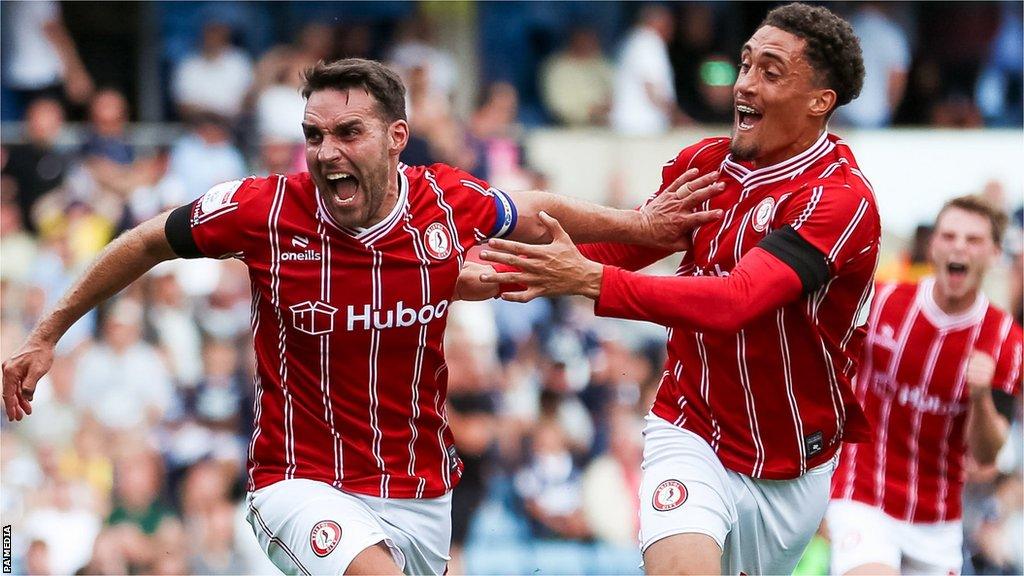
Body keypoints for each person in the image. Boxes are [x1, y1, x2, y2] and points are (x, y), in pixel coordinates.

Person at [2, 58, 720, 576]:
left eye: (348, 133)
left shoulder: (445, 202)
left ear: (396, 138)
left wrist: (642, 226)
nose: (325, 152)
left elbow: (537, 213)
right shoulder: (264, 209)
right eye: (314, 135)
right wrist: (45, 333)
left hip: (420, 493)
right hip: (299, 480)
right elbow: (146, 240)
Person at [476, 4, 877, 574]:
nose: (745, 84)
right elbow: (628, 247)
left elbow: (738, 300)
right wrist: (496, 274)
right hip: (690, 428)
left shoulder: (840, 202)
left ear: (820, 100)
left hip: (793, 465)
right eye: (744, 65)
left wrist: (588, 280)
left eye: (771, 71)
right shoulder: (704, 164)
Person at [828, 196, 1023, 576]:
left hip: (937, 519)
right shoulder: (881, 301)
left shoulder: (1005, 340)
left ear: (995, 252)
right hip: (864, 495)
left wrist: (980, 396)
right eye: (949, 235)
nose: (959, 247)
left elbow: (986, 453)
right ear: (933, 245)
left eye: (973, 240)